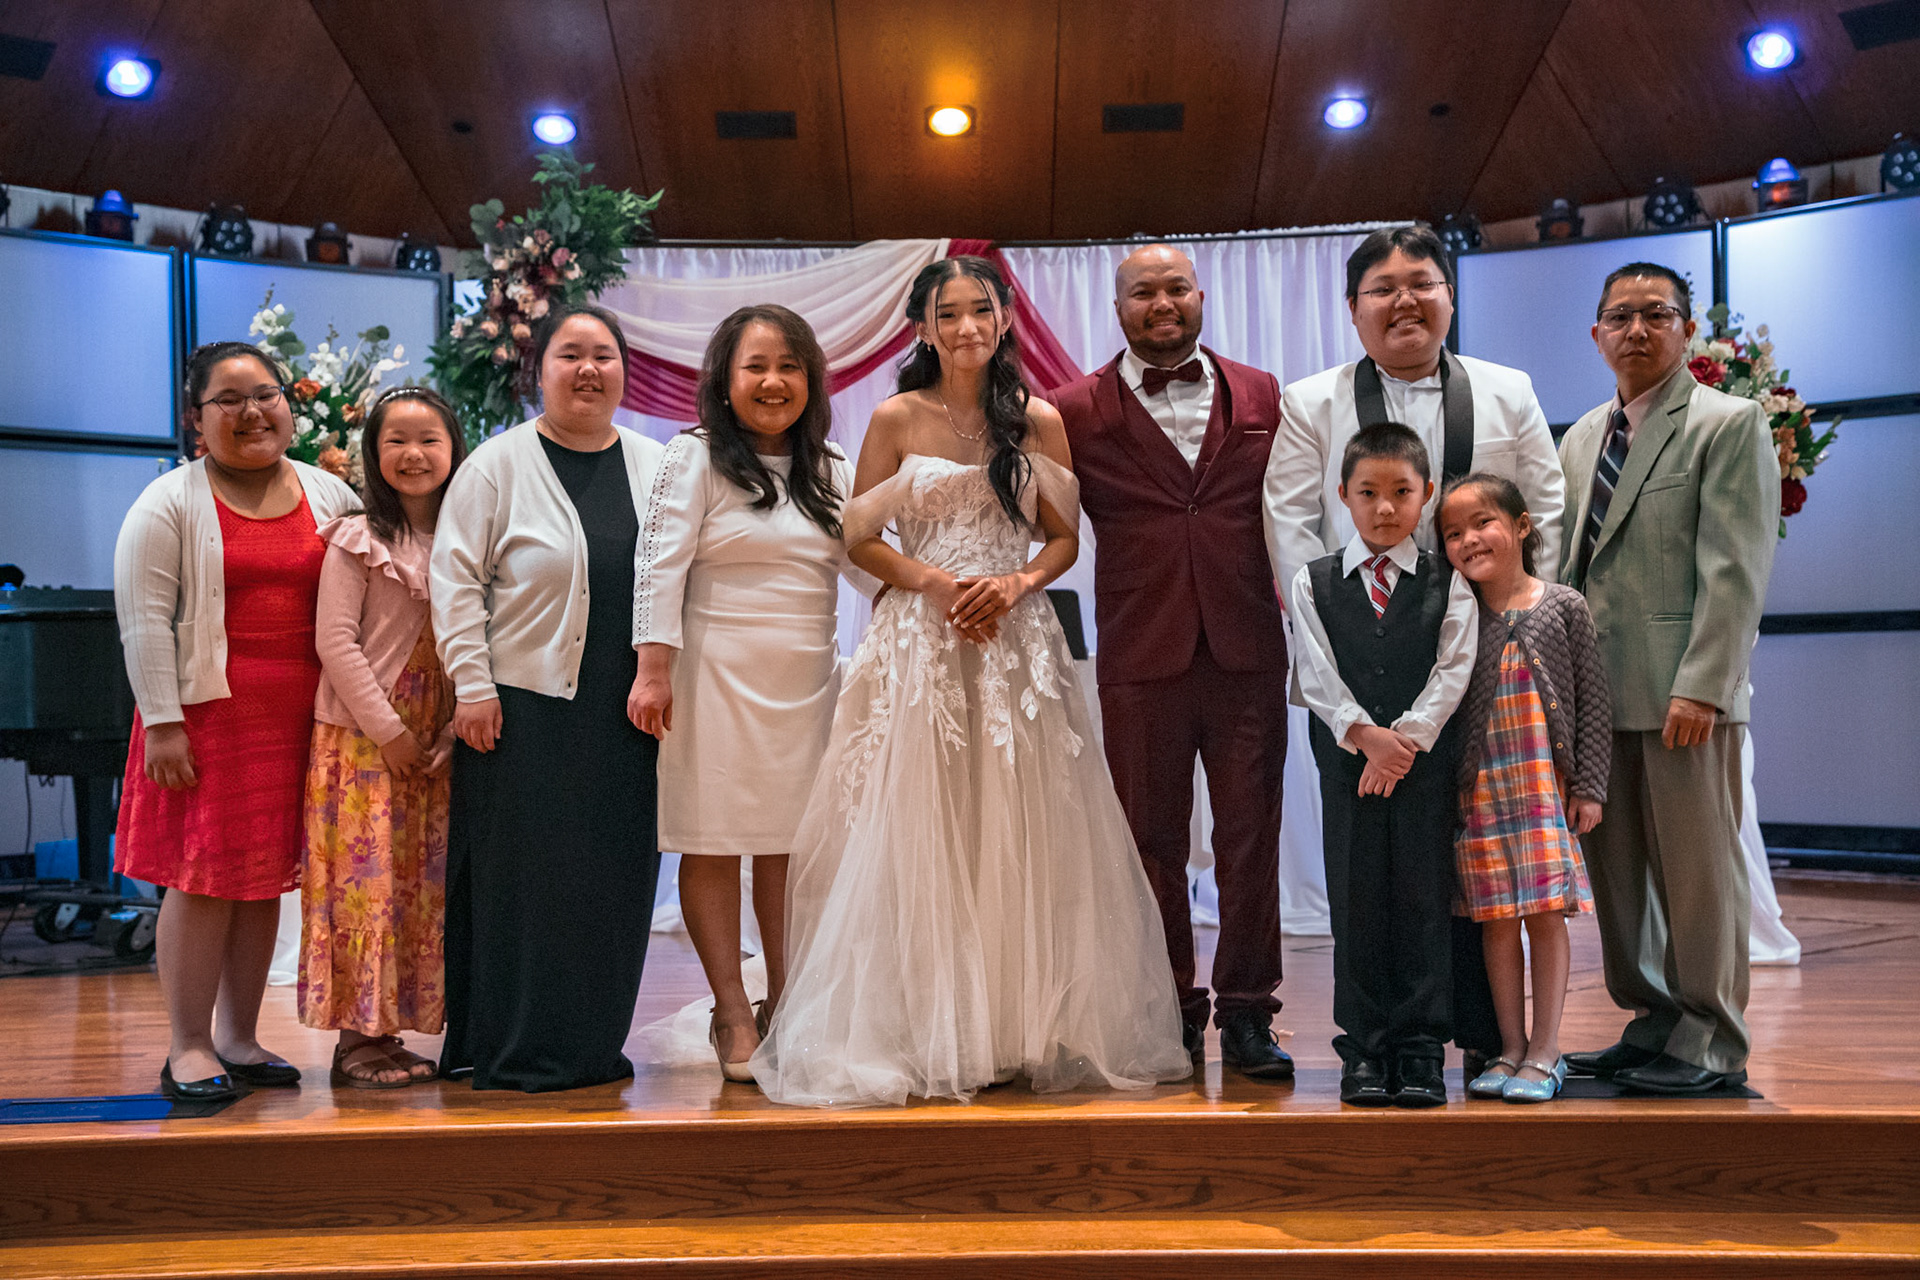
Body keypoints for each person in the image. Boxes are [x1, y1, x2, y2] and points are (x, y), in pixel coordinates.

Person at [749, 256, 1192, 1107]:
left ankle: (1015, 1024)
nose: (965, 328)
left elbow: (1063, 537)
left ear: (1004, 320)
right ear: (923, 327)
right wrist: (934, 584)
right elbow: (860, 538)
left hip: (1013, 641)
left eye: (980, 311)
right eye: (947, 314)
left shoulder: (1038, 419)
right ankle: (924, 1026)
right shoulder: (896, 417)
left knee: (1020, 826)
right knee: (923, 823)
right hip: (922, 637)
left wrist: (1017, 584)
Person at [1264, 224, 1565, 1076]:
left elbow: (1547, 506)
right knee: (1366, 867)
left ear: (1449, 296)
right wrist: (1336, 656)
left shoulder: (1507, 389)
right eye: (1384, 288)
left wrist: (1513, 621)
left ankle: (1477, 1037)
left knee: (1472, 854)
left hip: (1485, 659)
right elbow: (1288, 526)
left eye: (1421, 283)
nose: (1405, 300)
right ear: (1353, 307)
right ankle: (1374, 1042)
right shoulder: (1310, 402)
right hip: (1354, 668)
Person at [1045, 244, 1293, 1079]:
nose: (1162, 303)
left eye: (1176, 288)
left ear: (1200, 295)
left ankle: (1250, 1013)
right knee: (1149, 842)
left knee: (1251, 837)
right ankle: (1168, 1012)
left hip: (1246, 647)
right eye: (1143, 292)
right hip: (1139, 652)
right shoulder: (1069, 410)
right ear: (1117, 309)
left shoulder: (1262, 393)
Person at [113, 340, 359, 1102]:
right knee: (202, 880)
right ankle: (187, 1046)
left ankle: (239, 1037)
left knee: (261, 884)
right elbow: (143, 620)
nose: (252, 412)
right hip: (203, 722)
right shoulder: (169, 502)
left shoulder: (329, 493)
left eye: (266, 395)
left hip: (300, 723)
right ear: (196, 418)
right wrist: (162, 721)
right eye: (229, 400)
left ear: (289, 404)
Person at [431, 304, 666, 1092]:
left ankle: (592, 1046)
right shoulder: (496, 465)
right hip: (521, 710)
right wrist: (472, 685)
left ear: (625, 371)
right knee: (526, 889)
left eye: (604, 354)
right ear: (540, 370)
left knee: (612, 885)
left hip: (628, 713)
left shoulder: (658, 466)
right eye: (570, 354)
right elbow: (455, 581)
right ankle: (514, 1048)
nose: (588, 369)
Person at [1560, 263, 1778, 1095]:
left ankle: (1712, 1039)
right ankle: (1652, 1020)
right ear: (1597, 335)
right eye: (1621, 317)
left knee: (1698, 878)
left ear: (1686, 329)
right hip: (1596, 699)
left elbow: (1735, 570)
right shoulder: (1582, 436)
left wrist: (1706, 686)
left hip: (1684, 697)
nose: (1638, 330)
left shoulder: (1728, 423)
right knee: (1618, 882)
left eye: (1657, 314)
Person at [628, 305, 857, 1082]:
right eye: (756, 366)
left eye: (789, 366)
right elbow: (657, 566)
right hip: (712, 676)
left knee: (793, 847)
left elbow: (868, 566)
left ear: (811, 380)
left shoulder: (834, 467)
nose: (773, 381)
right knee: (715, 839)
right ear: (725, 380)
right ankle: (731, 1010)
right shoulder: (692, 457)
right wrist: (652, 668)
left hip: (809, 681)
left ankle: (788, 1002)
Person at [1288, 423, 1477, 1108]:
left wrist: (1406, 743)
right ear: (1343, 495)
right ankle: (1365, 1049)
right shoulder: (1312, 581)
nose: (1385, 507)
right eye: (1368, 492)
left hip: (1423, 769)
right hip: (1348, 765)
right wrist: (1366, 737)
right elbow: (1314, 671)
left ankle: (1422, 1050)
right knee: (1356, 900)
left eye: (1402, 491)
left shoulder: (1449, 582)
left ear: (1427, 495)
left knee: (1424, 898)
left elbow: (1454, 667)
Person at [300, 388, 467, 1088]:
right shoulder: (355, 537)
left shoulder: (470, 534)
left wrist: (454, 726)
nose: (413, 453)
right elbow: (335, 643)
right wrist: (391, 731)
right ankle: (355, 1041)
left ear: (454, 449)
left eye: (429, 439)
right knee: (362, 887)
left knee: (416, 889)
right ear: (373, 454)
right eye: (395, 440)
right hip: (363, 739)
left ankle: (390, 1031)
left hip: (438, 740)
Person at [1437, 474, 1610, 1103]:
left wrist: (1589, 786)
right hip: (1481, 795)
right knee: (1496, 923)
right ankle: (1509, 1046)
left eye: (1482, 522)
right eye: (1452, 533)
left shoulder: (1564, 606)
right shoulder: (1456, 616)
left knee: (1544, 916)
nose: (1469, 540)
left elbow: (1593, 701)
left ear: (1522, 525)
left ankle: (1546, 1049)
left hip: (1542, 791)